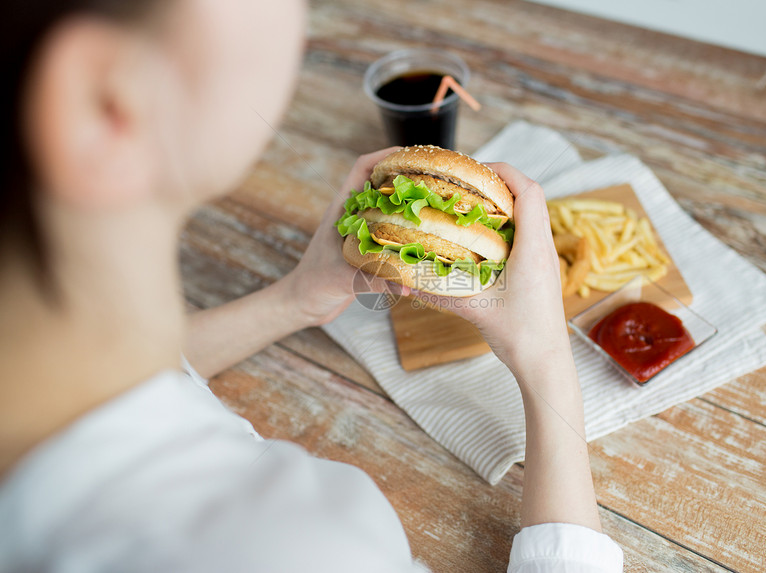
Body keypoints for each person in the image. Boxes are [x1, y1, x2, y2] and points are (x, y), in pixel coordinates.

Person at [0, 0, 623, 571]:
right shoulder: (295, 548)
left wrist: (294, 300)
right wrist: (546, 362)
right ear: (105, 101)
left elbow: (150, 384)